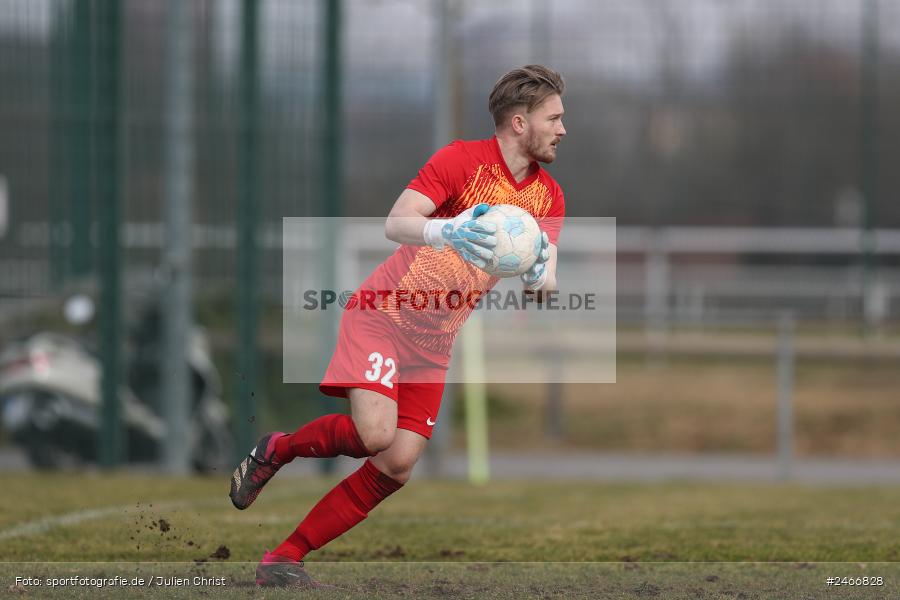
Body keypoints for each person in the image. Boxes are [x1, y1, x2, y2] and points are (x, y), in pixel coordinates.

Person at [229, 64, 567, 587]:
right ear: (519, 123)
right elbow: (396, 222)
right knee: (375, 435)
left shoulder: (548, 199)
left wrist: (538, 266)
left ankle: (283, 559)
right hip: (384, 316)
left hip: (434, 344)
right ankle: (278, 448)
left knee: (396, 464)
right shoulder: (460, 160)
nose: (563, 129)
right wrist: (448, 229)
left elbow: (541, 292)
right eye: (555, 117)